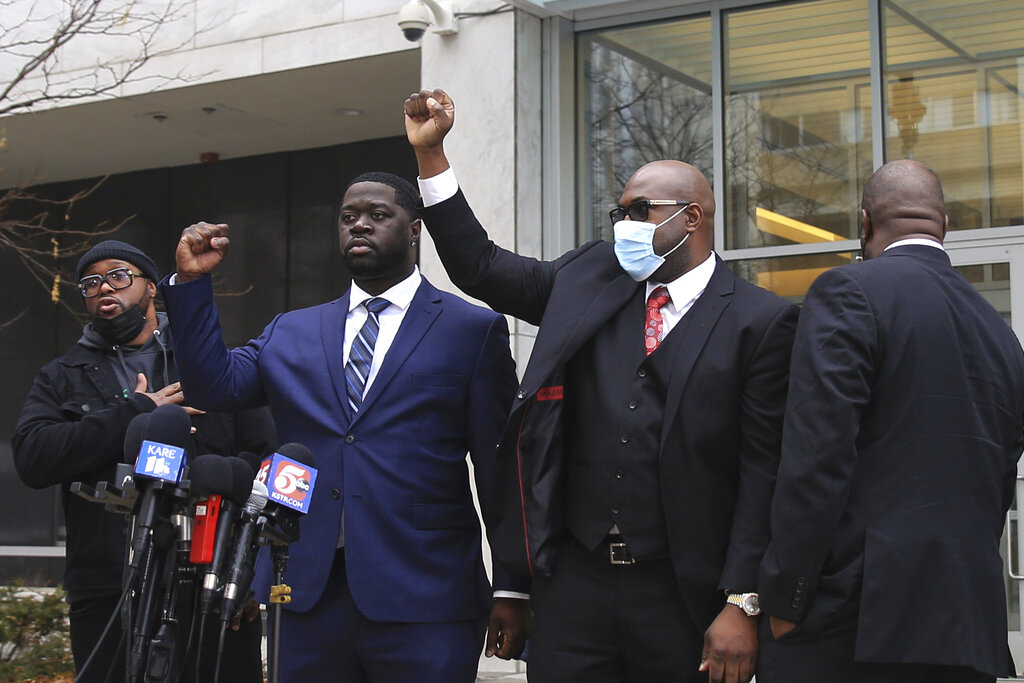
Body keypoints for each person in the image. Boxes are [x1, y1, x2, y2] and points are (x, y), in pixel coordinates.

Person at [404, 88, 799, 683]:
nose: (625, 226)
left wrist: (742, 601)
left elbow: (764, 469)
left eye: (640, 211)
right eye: (620, 213)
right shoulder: (588, 278)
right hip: (576, 584)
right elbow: (482, 267)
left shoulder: (760, 320)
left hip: (684, 591)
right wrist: (431, 155)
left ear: (691, 218)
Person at [157, 172, 531, 683]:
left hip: (427, 593)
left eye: (378, 215)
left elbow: (500, 472)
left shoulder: (470, 330)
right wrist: (191, 285)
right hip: (306, 591)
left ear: (414, 229)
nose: (360, 225)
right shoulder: (291, 330)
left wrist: (513, 585)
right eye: (348, 216)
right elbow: (212, 387)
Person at [757, 160, 1024, 683]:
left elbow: (817, 456)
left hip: (857, 620)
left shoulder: (847, 292)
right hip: (967, 620)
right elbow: (998, 477)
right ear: (944, 224)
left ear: (864, 222)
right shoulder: (1001, 335)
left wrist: (786, 597)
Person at [12, 239, 274, 683]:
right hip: (109, 586)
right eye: (90, 283)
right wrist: (135, 410)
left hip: (215, 580)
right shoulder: (62, 375)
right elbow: (33, 458)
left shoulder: (211, 363)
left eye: (118, 275)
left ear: (152, 287)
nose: (103, 288)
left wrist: (250, 570)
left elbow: (265, 459)